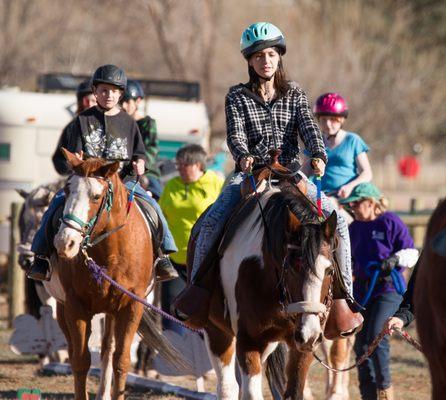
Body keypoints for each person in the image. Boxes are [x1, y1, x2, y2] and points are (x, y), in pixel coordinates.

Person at [174, 22, 358, 329]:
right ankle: (197, 293)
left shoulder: (295, 93)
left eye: (272, 54)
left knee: (335, 218)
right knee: (210, 222)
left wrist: (318, 154)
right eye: (259, 56)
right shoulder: (237, 96)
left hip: (290, 175)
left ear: (279, 56)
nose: (266, 61)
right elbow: (235, 135)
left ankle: (344, 298)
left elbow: (310, 130)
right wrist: (243, 155)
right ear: (249, 60)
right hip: (250, 174)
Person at [27, 64, 178, 282]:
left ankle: (162, 257)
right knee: (56, 205)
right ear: (95, 92)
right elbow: (73, 153)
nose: (109, 95)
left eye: (114, 91)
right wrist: (76, 160)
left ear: (121, 94)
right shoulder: (82, 120)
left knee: (153, 206)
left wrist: (140, 162)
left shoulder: (129, 122)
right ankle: (41, 258)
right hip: (87, 183)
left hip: (122, 182)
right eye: (104, 90)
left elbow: (140, 151)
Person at [339, 182, 419, 400]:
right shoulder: (353, 229)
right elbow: (347, 260)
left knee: (377, 333)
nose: (353, 207)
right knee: (361, 346)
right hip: (362, 292)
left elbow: (412, 252)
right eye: (351, 204)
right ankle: (368, 393)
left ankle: (384, 391)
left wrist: (394, 260)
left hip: (387, 289)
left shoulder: (389, 221)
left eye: (357, 203)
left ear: (371, 202)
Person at [159, 144, 224, 332]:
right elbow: (161, 217)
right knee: (172, 312)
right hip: (175, 260)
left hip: (205, 263)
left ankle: (202, 352)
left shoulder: (215, 183)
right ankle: (174, 353)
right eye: (177, 165)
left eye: (183, 165)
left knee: (205, 313)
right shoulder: (172, 185)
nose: (179, 169)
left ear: (198, 165)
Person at [308, 93, 372, 200]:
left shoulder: (353, 140)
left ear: (341, 119)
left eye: (333, 119)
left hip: (348, 198)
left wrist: (350, 187)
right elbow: (305, 172)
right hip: (320, 198)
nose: (328, 124)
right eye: (324, 119)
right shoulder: (314, 142)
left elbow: (367, 173)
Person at [121, 79, 163, 200]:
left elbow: (152, 148)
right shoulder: (118, 124)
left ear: (138, 101)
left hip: (146, 172)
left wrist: (142, 163)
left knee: (156, 199)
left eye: (127, 101)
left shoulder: (147, 123)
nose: (124, 105)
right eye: (121, 101)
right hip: (123, 171)